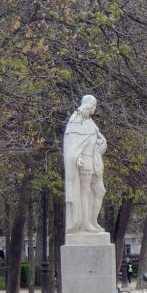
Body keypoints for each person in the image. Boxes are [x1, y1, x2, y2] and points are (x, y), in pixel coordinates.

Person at [63, 94, 107, 234]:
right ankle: (85, 223)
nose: (95, 109)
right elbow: (71, 144)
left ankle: (92, 221)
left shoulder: (89, 121)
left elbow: (99, 138)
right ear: (88, 105)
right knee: (85, 190)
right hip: (84, 162)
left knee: (100, 191)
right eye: (94, 106)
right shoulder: (76, 119)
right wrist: (76, 158)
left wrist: (102, 143)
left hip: (94, 161)